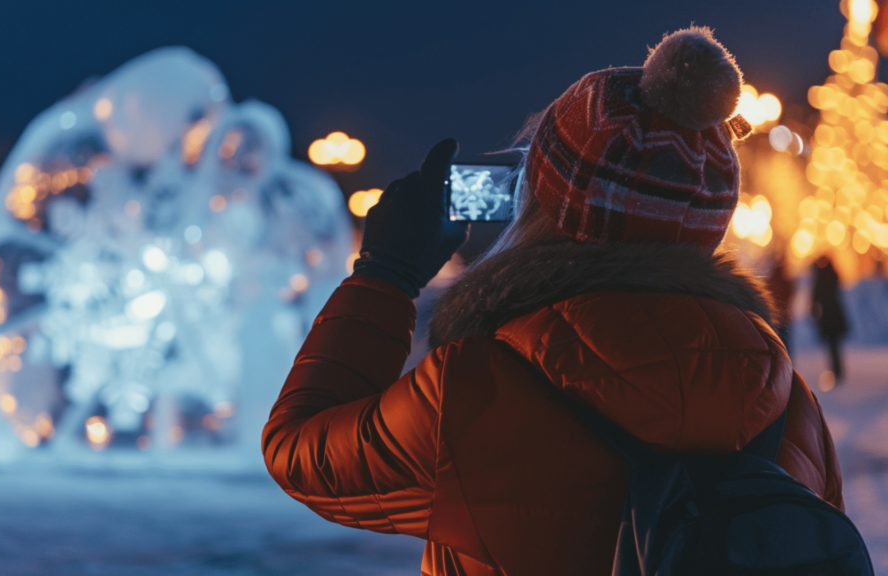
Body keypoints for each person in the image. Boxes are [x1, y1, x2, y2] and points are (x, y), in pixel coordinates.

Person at [264, 28, 843, 575]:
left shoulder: (475, 387)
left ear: (543, 201)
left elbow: (299, 452)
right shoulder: (789, 400)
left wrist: (385, 274)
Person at [812, 254, 848, 383]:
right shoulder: (832, 275)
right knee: (834, 345)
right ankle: (837, 371)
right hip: (835, 315)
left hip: (827, 317)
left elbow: (816, 297)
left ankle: (836, 371)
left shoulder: (821, 277)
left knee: (831, 346)